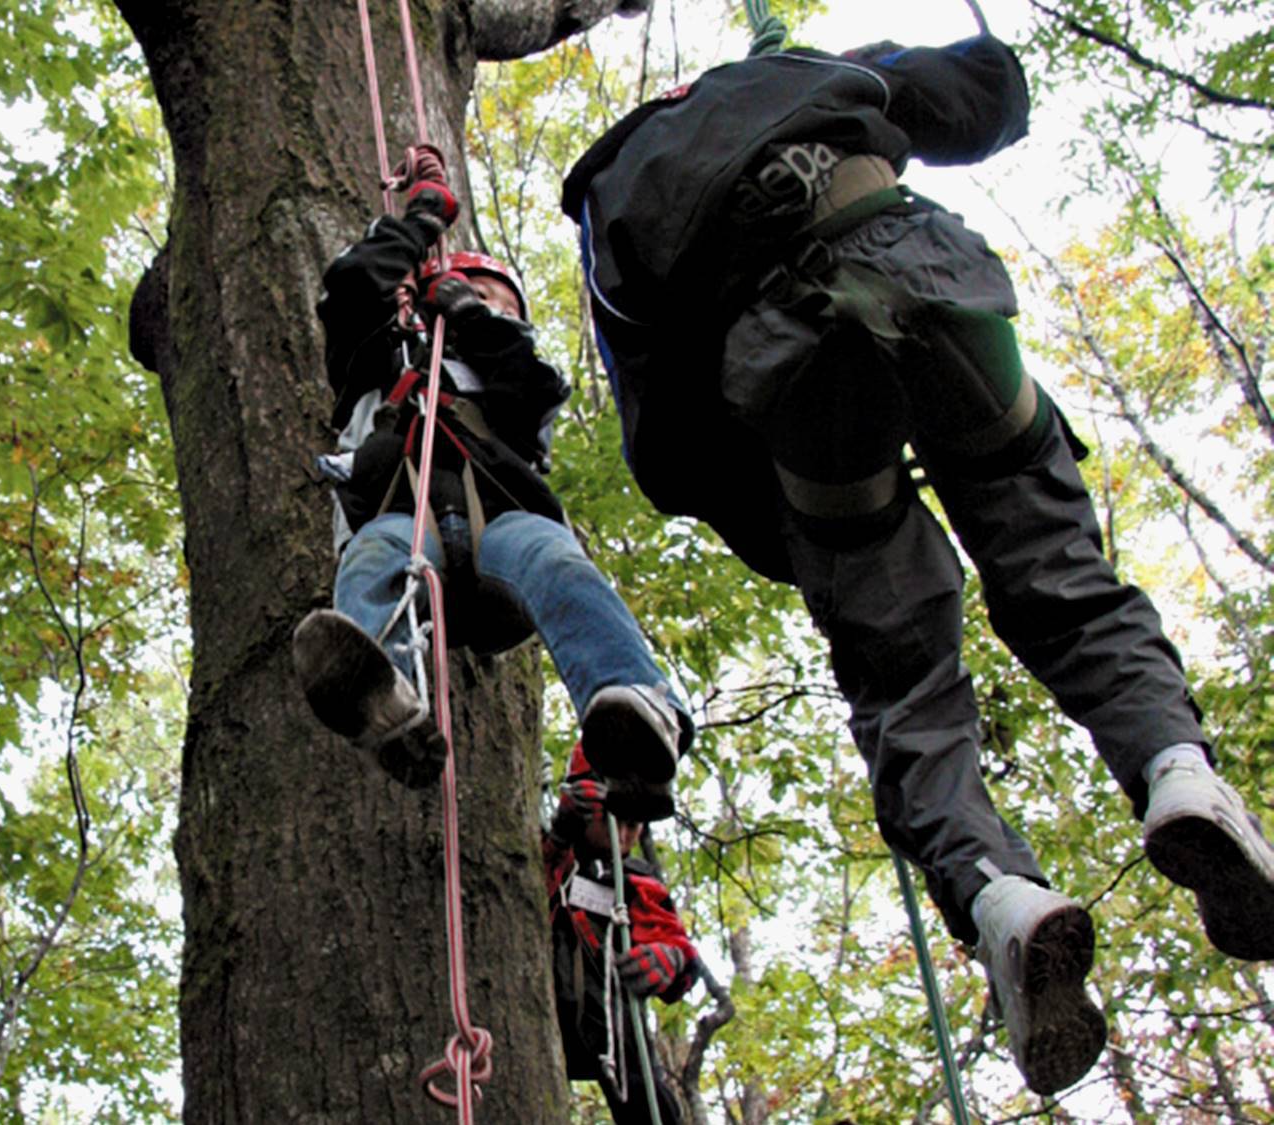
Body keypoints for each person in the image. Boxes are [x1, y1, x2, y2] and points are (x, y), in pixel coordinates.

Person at [561, 27, 1274, 1095]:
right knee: (1057, 575)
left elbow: (664, 444)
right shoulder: (800, 73)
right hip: (916, 262)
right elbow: (979, 93)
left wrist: (797, 541)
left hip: (788, 366)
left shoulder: (614, 198)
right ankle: (1177, 774)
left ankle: (998, 901)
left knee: (901, 680)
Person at [291, 152, 691, 817]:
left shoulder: (516, 373)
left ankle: (638, 703)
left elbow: (534, 390)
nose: (487, 308)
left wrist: (478, 323)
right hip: (401, 511)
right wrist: (422, 218)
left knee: (558, 560)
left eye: (503, 305)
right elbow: (354, 280)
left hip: (501, 525)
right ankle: (384, 696)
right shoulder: (377, 349)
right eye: (474, 294)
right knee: (372, 558)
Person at [546, 740, 696, 1124]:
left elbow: (672, 939)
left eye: (636, 823)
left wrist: (671, 959)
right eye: (619, 819)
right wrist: (564, 828)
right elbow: (532, 888)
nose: (628, 832)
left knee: (654, 1106)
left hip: (614, 1029)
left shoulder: (634, 881)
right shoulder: (551, 852)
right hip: (547, 1007)